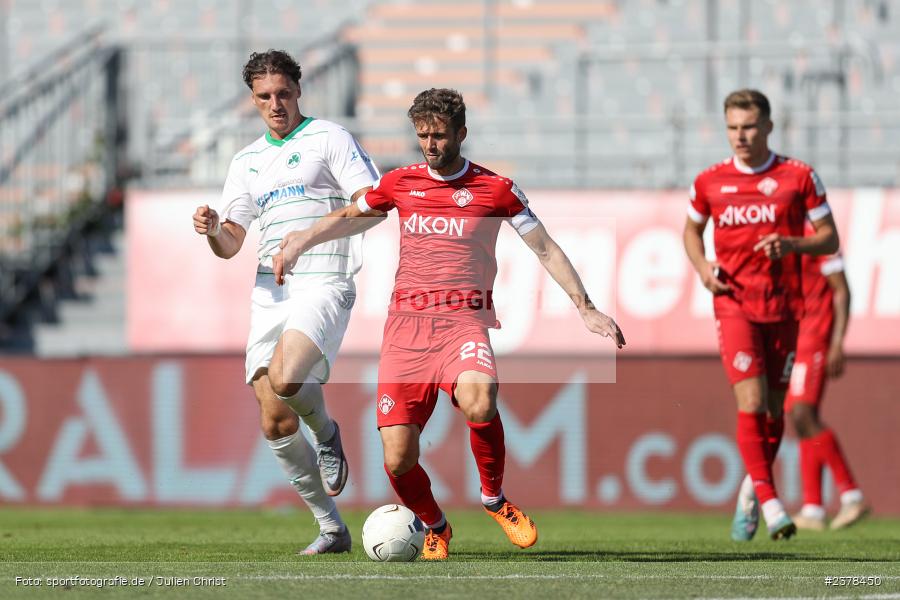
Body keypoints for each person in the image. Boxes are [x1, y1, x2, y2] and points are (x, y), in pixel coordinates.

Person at [274, 88, 625, 560]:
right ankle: (435, 525)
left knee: (481, 397)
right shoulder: (401, 182)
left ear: (461, 133)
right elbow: (349, 215)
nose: (430, 144)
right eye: (422, 135)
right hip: (406, 332)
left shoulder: (496, 189)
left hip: (462, 323)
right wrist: (301, 240)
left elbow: (544, 247)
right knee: (398, 459)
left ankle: (494, 499)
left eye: (439, 134)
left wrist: (585, 307)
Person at [192, 49, 380, 554]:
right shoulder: (247, 161)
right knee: (274, 415)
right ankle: (331, 528)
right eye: (264, 96)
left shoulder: (329, 138)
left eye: (283, 93)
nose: (275, 103)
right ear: (252, 100)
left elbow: (375, 206)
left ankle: (327, 433)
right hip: (269, 290)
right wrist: (213, 232)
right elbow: (232, 242)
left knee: (287, 376)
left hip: (324, 278)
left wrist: (306, 238)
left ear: (299, 90)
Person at [683, 89, 839, 541]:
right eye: (732, 128)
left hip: (785, 305)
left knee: (774, 412)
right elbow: (691, 232)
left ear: (768, 126)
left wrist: (792, 244)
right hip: (734, 303)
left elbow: (829, 239)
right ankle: (772, 504)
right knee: (750, 403)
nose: (740, 136)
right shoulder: (709, 181)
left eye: (749, 127)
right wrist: (702, 267)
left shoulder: (799, 176)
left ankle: (752, 489)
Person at [786, 230, 868, 530]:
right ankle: (813, 509)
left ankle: (851, 494)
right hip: (797, 337)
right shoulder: (783, 231)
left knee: (802, 413)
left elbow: (842, 290)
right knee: (801, 418)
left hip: (816, 337)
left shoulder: (818, 236)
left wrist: (837, 343)